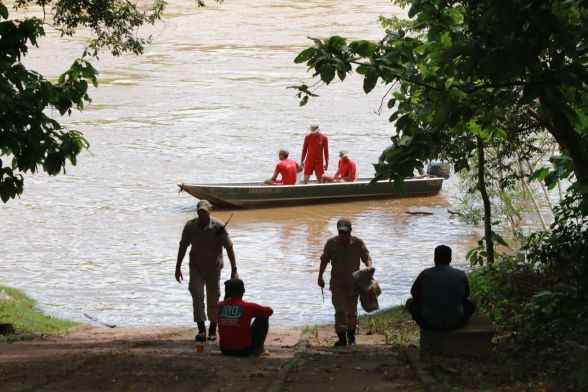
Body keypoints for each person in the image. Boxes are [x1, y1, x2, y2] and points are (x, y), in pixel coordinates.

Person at [175, 199, 239, 342]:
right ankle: (201, 329)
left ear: (210, 211)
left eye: (204, 212)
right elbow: (183, 246)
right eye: (200, 212)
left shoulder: (218, 227)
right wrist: (177, 267)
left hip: (213, 267)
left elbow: (229, 247)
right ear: (197, 212)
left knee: (213, 296)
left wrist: (234, 269)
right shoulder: (190, 226)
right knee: (196, 293)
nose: (202, 214)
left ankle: (212, 329)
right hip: (196, 266)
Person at [318, 218, 372, 346]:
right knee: (340, 309)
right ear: (338, 231)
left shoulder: (358, 243)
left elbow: (367, 258)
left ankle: (351, 336)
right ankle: (342, 338)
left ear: (350, 231)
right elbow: (324, 260)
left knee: (352, 310)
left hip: (353, 281)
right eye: (340, 232)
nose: (343, 235)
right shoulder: (331, 243)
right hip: (337, 282)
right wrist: (320, 277)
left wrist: (369, 268)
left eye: (345, 232)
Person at [405, 245, 476, 330]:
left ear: (435, 259)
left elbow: (414, 293)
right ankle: (458, 323)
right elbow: (466, 295)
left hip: (429, 323)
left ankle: (429, 326)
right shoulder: (461, 274)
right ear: (450, 259)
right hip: (455, 322)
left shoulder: (425, 274)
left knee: (410, 302)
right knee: (471, 301)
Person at [217, 278, 273, 356]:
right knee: (263, 317)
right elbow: (269, 311)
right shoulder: (249, 306)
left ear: (228, 292)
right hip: (244, 350)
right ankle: (260, 349)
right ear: (243, 291)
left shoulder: (219, 306)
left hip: (225, 349)